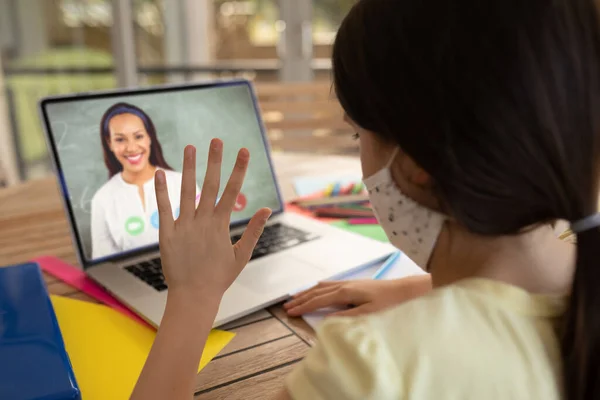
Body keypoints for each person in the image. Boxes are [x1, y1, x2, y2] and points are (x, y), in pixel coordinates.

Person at [130, 0, 600, 399]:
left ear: (417, 161)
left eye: (357, 133)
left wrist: (192, 297)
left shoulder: (369, 367)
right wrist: (424, 288)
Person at [91, 102, 199, 259]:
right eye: (120, 140)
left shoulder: (182, 183)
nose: (131, 147)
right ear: (110, 144)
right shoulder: (102, 199)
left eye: (138, 136)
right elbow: (104, 262)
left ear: (149, 137)